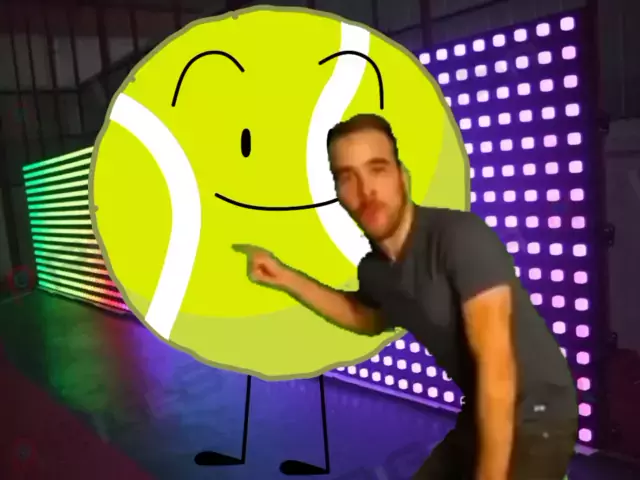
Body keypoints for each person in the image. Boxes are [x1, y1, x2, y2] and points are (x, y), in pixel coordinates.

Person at [233, 113, 578, 479]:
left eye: (377, 169)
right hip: (479, 412)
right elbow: (365, 317)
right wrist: (284, 276)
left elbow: (498, 367)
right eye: (347, 177)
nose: (365, 191)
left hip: (539, 413)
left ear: (403, 176)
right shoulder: (375, 270)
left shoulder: (460, 237)